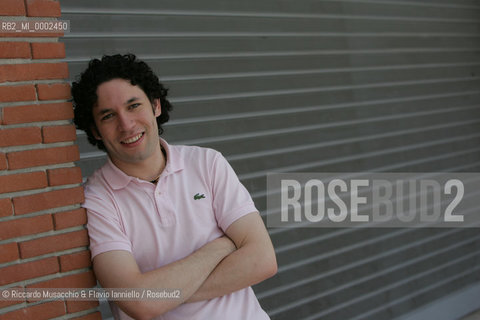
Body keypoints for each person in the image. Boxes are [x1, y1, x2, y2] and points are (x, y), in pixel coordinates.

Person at [71, 53, 277, 320]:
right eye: (109, 116)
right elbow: (139, 303)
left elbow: (263, 260)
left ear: (156, 105)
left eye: (134, 106)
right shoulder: (97, 200)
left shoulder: (207, 163)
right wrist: (220, 247)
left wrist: (163, 295)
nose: (126, 124)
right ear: (95, 130)